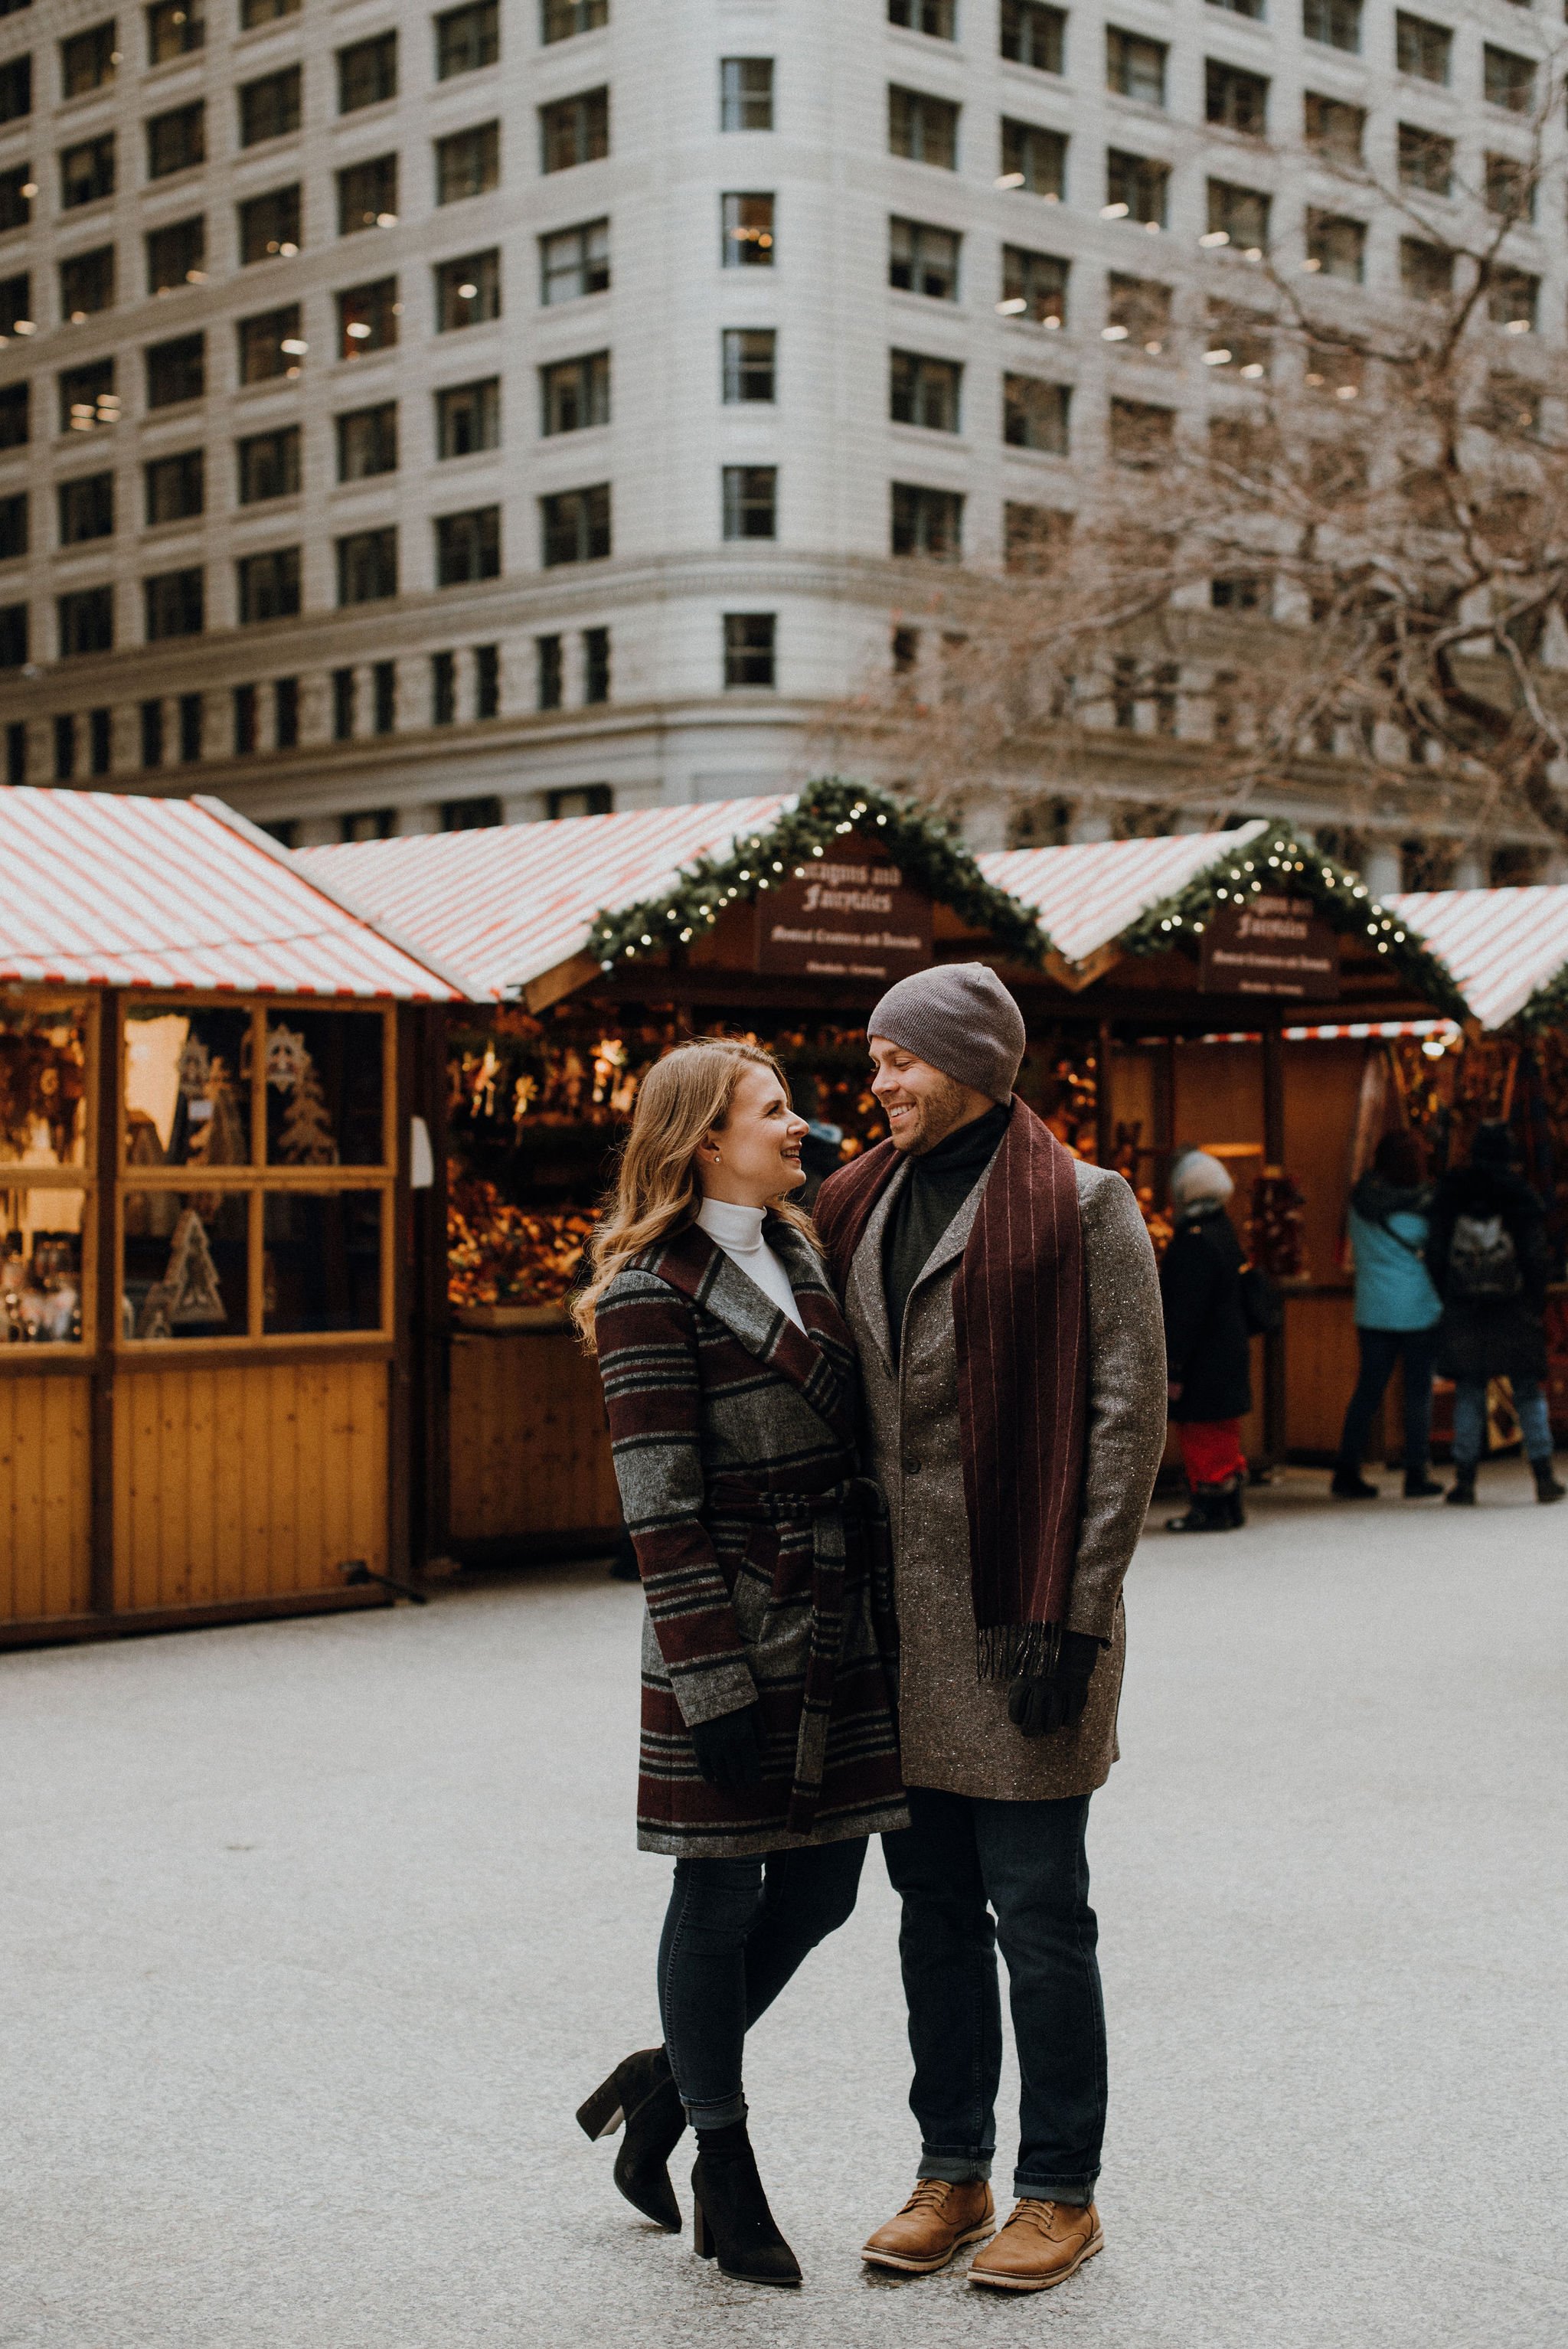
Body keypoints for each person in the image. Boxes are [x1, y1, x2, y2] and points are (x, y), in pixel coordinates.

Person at [813, 965, 1167, 2295]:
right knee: (930, 1911)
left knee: (1038, 1911)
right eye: (873, 1059)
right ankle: (950, 2166)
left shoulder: (1080, 1205)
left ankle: (1058, 2190)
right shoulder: (853, 1201)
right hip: (898, 1627)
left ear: (970, 1059)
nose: (879, 1082)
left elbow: (1124, 1420)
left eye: (899, 1058)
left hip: (1023, 1622)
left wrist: (1069, 1618)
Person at [572, 1038, 906, 2289]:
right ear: (706, 1137)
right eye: (773, 1113)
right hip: (726, 1625)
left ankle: (657, 2090)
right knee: (715, 1895)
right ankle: (721, 2147)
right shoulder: (646, 1291)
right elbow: (656, 1506)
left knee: (820, 1892)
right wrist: (708, 1680)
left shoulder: (805, 1246)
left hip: (830, 1615)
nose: (801, 1128)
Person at [1426, 1119, 1565, 1507]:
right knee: (1526, 1390)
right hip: (1514, 1305)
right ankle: (1543, 1476)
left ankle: (1466, 1480)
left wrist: (1449, 1294)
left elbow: (1435, 1253)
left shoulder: (1452, 1193)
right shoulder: (1520, 1196)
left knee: (1469, 1390)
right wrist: (1533, 1301)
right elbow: (1535, 1257)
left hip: (1465, 1305)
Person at [1331, 1131, 1445, 1501]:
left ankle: (1346, 1470)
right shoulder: (1427, 1205)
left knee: (1368, 1392)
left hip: (1374, 1309)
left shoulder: (1360, 1202)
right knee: (1417, 1393)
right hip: (1419, 1309)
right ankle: (1416, 1472)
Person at [1158, 1150, 1252, 1533]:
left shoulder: (1192, 1241)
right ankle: (1229, 1502)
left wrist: (1174, 1365)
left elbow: (1185, 1311)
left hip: (1201, 1358)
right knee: (1223, 1432)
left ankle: (1208, 1506)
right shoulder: (1224, 1231)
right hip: (1227, 1350)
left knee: (1200, 1433)